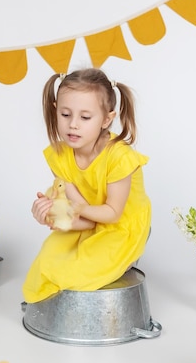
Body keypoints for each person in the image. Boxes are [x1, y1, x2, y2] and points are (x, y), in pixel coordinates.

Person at [22, 68, 151, 304]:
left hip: (120, 227)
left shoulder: (119, 157)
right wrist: (49, 215)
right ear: (55, 110)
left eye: (85, 117)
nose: (73, 125)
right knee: (47, 262)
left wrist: (75, 207)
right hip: (89, 220)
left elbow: (111, 214)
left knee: (77, 272)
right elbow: (86, 220)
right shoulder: (60, 156)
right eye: (65, 114)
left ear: (106, 119)